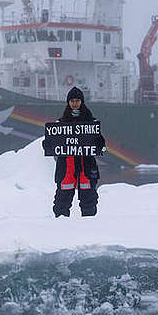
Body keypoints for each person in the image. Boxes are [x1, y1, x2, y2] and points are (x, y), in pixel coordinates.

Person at [52, 86, 105, 218]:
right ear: (68, 103)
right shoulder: (60, 124)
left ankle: (89, 228)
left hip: (86, 167)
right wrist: (48, 144)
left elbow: (100, 143)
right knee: (61, 202)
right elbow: (52, 143)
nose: (74, 103)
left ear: (81, 102)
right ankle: (60, 227)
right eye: (72, 101)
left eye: (77, 100)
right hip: (66, 168)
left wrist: (99, 144)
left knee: (89, 200)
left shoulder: (91, 123)